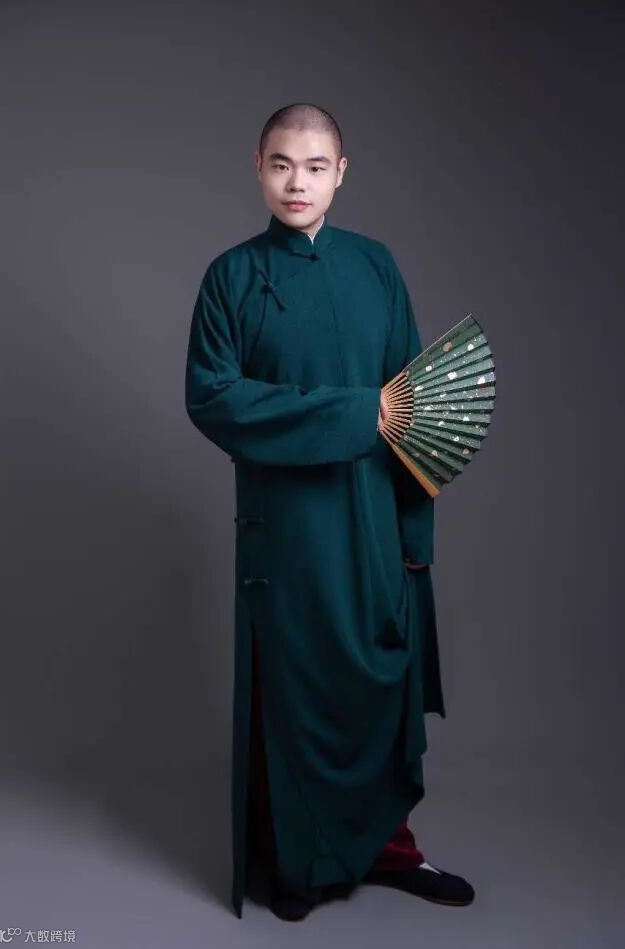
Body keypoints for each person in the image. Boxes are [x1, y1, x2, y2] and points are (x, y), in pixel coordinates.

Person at [184, 102, 475, 921]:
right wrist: (354, 412)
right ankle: (299, 864)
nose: (297, 182)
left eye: (315, 166)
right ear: (258, 167)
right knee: (297, 695)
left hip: (375, 522)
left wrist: (414, 538)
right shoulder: (230, 277)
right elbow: (212, 397)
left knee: (375, 688)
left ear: (340, 173)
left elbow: (418, 409)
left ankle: (391, 850)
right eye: (281, 164)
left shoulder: (376, 266)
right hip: (286, 533)